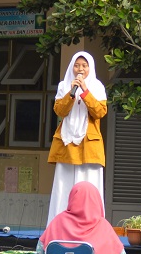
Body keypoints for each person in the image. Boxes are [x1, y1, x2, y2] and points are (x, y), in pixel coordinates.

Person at [46, 51, 107, 225]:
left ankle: (91, 226)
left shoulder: (97, 86)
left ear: (90, 68)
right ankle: (58, 226)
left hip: (89, 147)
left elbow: (100, 112)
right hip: (66, 144)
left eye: (84, 66)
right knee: (63, 189)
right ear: (72, 67)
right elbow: (59, 111)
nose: (80, 69)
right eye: (77, 65)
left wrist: (85, 91)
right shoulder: (64, 86)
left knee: (89, 188)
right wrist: (71, 93)